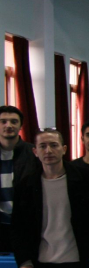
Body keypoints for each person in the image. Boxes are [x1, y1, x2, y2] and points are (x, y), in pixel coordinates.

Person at [13, 129, 89, 268]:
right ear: (35, 151)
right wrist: (24, 261)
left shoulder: (87, 179)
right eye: (43, 146)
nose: (48, 151)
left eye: (54, 145)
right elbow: (18, 226)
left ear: (64, 149)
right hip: (39, 263)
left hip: (77, 261)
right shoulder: (26, 185)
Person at [0, 105, 37, 252]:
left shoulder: (34, 153)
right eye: (3, 121)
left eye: (14, 121)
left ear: (20, 126)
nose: (8, 125)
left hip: (26, 225)